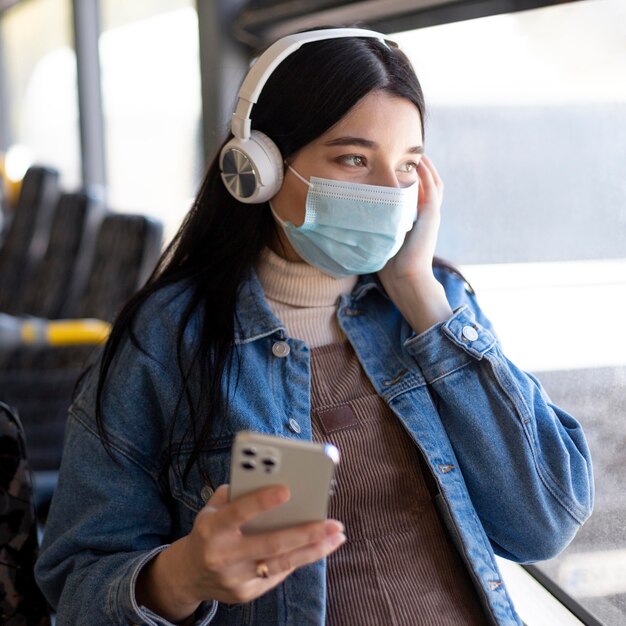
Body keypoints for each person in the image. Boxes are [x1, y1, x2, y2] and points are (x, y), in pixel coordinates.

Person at [35, 28, 594, 626]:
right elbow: (77, 588)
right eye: (354, 158)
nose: (388, 192)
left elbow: (545, 520)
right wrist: (182, 577)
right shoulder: (166, 342)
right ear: (260, 167)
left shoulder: (439, 305)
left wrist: (417, 292)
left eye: (406, 165)